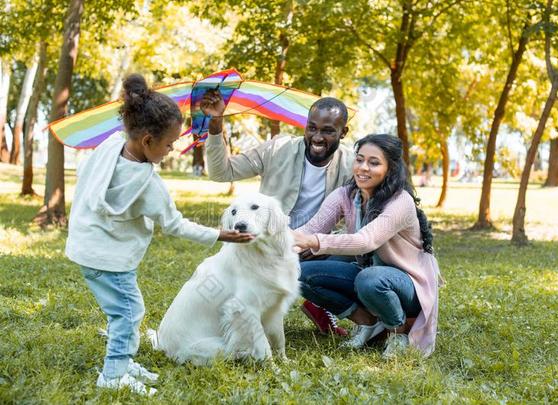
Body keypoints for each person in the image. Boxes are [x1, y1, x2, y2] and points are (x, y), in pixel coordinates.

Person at [65, 74, 254, 395]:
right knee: (128, 313)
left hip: (86, 249)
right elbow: (176, 225)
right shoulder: (148, 185)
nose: (171, 149)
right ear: (148, 140)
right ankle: (113, 374)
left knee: (123, 310)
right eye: (168, 144)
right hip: (110, 260)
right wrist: (220, 235)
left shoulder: (111, 145)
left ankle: (121, 362)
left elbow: (88, 173)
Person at [201, 91, 354, 336]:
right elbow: (221, 172)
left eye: (327, 131)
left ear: (343, 133)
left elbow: (357, 221)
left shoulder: (351, 164)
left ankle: (320, 304)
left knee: (357, 254)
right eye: (311, 127)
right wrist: (217, 123)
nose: (317, 137)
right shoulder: (277, 149)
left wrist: (318, 243)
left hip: (313, 246)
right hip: (267, 243)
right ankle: (230, 312)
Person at [292, 134, 441, 358]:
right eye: (359, 160)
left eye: (374, 163)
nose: (363, 168)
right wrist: (277, 242)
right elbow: (311, 228)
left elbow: (365, 241)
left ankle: (397, 331)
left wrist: (314, 242)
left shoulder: (400, 201)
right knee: (296, 272)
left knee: (370, 279)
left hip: (409, 285)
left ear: (390, 169)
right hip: (369, 271)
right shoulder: (346, 195)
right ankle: (368, 322)